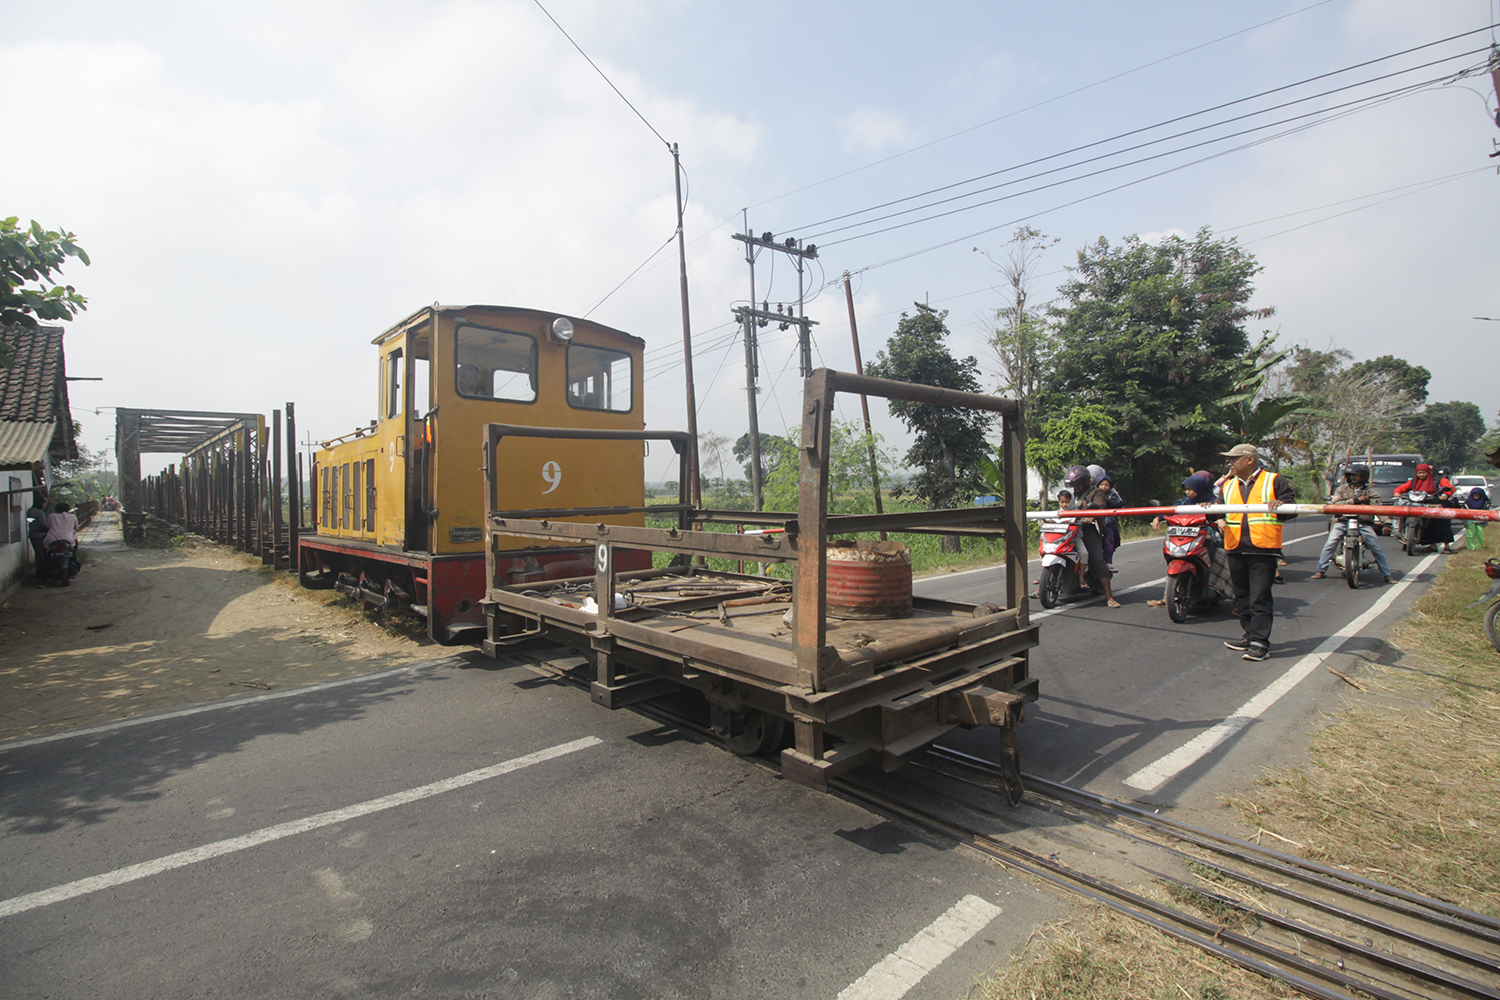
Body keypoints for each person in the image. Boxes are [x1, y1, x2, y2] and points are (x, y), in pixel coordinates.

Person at [1218, 444, 1295, 661]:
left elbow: (1290, 506)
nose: (1230, 464)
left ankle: (1260, 642)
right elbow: (1217, 509)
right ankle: (1249, 634)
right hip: (1235, 547)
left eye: (1234, 459)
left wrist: (1281, 505)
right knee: (1241, 596)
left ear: (1250, 459)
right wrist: (1209, 510)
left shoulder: (1274, 480)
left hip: (1263, 548)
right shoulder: (1228, 486)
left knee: (1259, 597)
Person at [1311, 464, 1395, 583]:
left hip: (1363, 522)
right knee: (1331, 543)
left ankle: (1387, 575)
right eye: (1351, 475)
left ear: (1363, 476)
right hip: (1343, 521)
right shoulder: (1341, 489)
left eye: (1357, 475)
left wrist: (1387, 524)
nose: (1354, 478)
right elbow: (1336, 504)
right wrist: (1356, 501)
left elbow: (1379, 509)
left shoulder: (1370, 492)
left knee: (1375, 546)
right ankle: (1321, 570)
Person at [1065, 464, 1121, 608]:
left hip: (1088, 529)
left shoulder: (1096, 492)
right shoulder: (1070, 495)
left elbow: (1100, 506)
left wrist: (1091, 514)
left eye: (1077, 483)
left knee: (1096, 558)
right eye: (1073, 484)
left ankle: (1109, 596)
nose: (1075, 487)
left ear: (1084, 481)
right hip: (1070, 528)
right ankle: (1043, 585)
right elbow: (1062, 506)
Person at [1393, 463, 1456, 553]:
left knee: (1442, 523)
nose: (1421, 475)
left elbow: (1449, 487)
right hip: (1418, 503)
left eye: (1424, 473)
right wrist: (1397, 492)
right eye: (1419, 473)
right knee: (1428, 526)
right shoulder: (1413, 481)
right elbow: (1401, 488)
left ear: (1428, 472)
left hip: (1435, 503)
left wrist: (1445, 495)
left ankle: (1447, 546)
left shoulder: (1438, 479)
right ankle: (1432, 545)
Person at [41, 500, 82, 579]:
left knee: (46, 553)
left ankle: (43, 570)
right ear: (68, 509)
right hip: (68, 539)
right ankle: (73, 561)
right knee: (74, 547)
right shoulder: (72, 517)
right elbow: (76, 527)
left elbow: (48, 526)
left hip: (52, 539)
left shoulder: (52, 516)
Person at [25, 492, 49, 580]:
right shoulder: (39, 512)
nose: (44, 505)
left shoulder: (31, 510)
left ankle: (39, 574)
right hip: (39, 535)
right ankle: (41, 575)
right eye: (44, 503)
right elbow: (44, 524)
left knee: (38, 555)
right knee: (42, 556)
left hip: (33, 535)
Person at [1464, 486, 1490, 551]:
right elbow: (1464, 513)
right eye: (1474, 495)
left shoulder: (1486, 503)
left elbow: (1488, 512)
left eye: (1477, 495)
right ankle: (1470, 547)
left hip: (1481, 520)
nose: (1476, 496)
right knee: (1470, 534)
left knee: (1480, 534)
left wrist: (1482, 519)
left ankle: (1480, 547)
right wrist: (1465, 522)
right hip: (1470, 520)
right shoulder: (1467, 503)